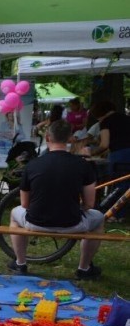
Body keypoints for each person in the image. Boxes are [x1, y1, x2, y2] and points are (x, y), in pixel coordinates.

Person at [8, 120, 104, 279]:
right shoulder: (83, 165)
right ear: (71, 139)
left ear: (47, 137)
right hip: (73, 223)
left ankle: (20, 263)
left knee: (14, 214)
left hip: (35, 222)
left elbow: (25, 204)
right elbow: (89, 204)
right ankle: (84, 268)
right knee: (99, 218)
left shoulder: (33, 165)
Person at [87, 100, 130, 220]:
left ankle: (114, 214)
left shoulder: (105, 122)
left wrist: (91, 152)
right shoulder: (126, 118)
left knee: (117, 185)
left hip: (119, 156)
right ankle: (124, 213)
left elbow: (104, 144)